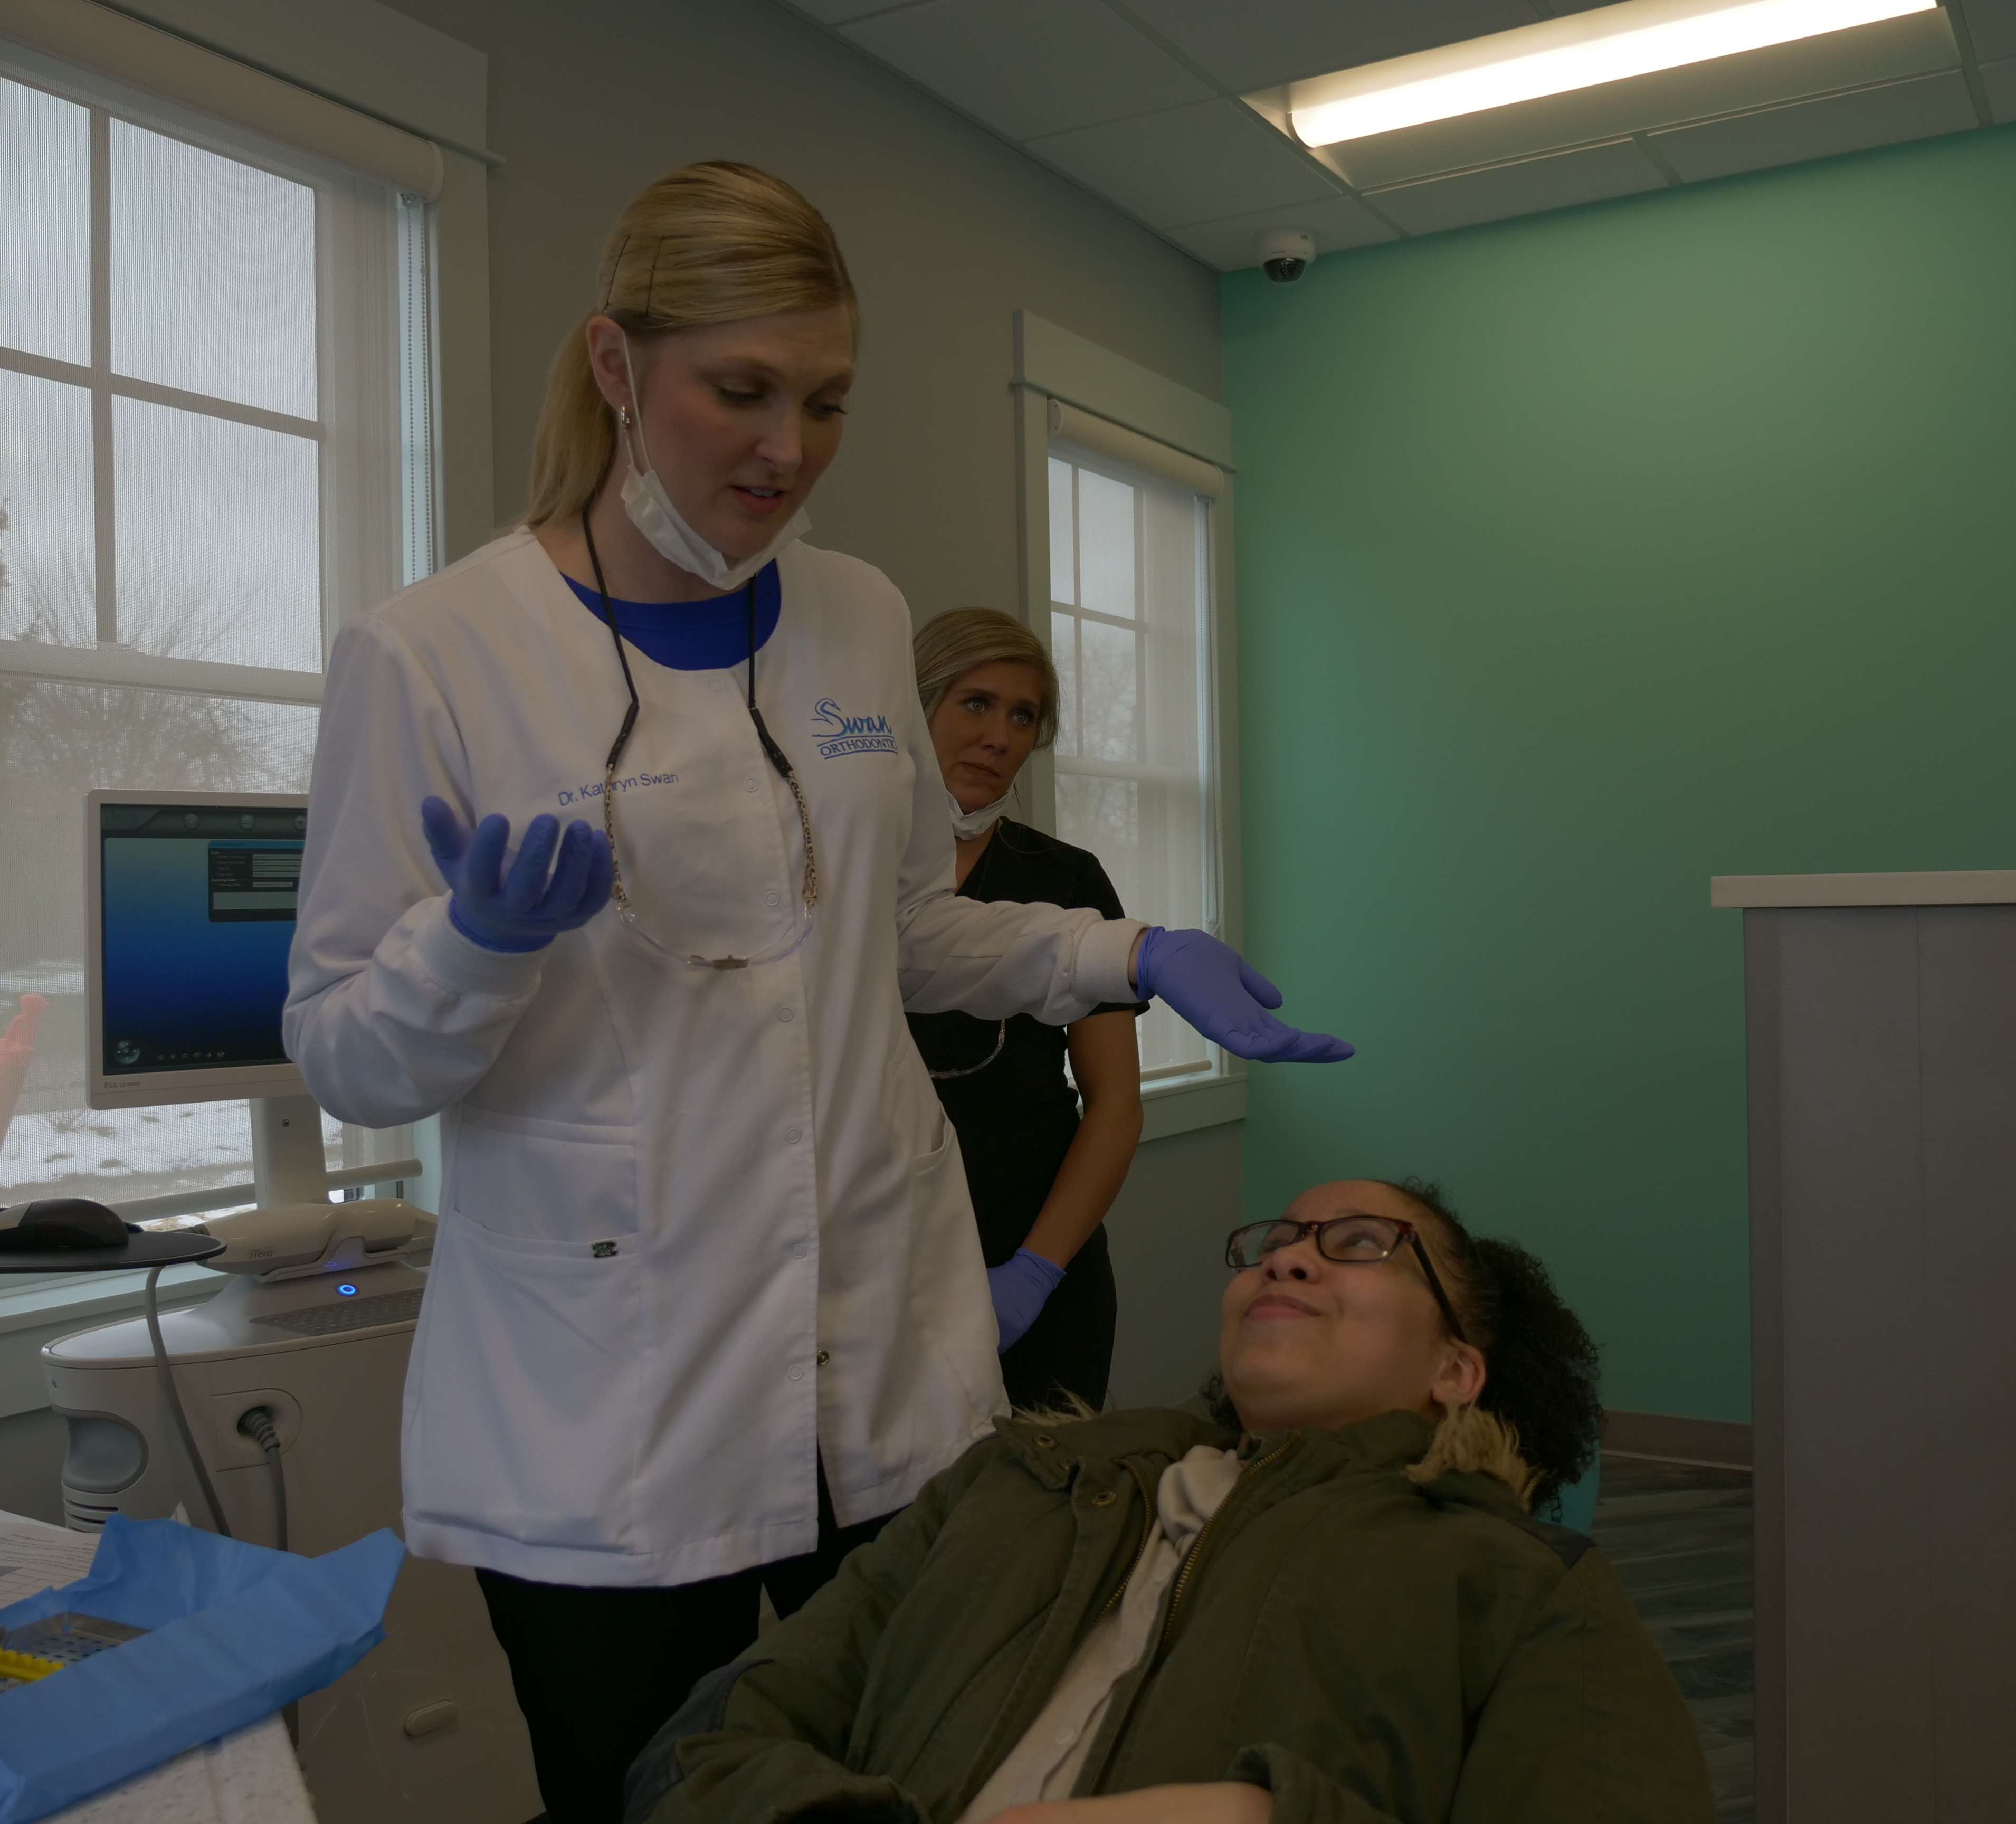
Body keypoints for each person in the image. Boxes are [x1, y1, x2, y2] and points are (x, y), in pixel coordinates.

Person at [283, 161, 1352, 1824]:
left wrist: (1121, 954)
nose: (789, 449)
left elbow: (910, 928)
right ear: (617, 367)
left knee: (917, 1775)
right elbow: (349, 1050)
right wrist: (471, 945)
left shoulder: (856, 615)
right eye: (742, 391)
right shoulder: (435, 650)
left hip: (886, 1355)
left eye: (828, 401)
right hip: (614, 1398)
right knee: (648, 1796)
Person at [627, 1177, 1716, 1824]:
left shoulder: (1516, 1584)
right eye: (1279, 1242)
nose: (1291, 1260)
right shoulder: (1010, 1481)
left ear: (1455, 1373)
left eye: (1362, 1247)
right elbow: (701, 1747)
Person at [908, 609, 1141, 1410]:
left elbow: (1114, 1103)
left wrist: (1038, 1272)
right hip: (880, 1271)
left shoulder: (1067, 881)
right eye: (975, 704)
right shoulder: (836, 873)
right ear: (914, 707)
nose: (1000, 736)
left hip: (1034, 1263)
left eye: (1023, 715)